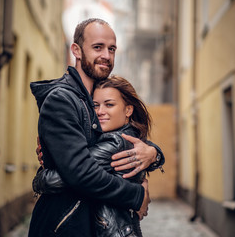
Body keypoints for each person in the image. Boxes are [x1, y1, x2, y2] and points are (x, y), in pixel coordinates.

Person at [28, 18, 164, 237]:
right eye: (98, 47)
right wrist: (137, 195)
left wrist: (154, 153)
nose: (106, 56)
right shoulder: (62, 100)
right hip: (63, 225)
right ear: (77, 50)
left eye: (112, 49)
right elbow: (81, 173)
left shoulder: (92, 98)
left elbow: (118, 139)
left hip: (92, 223)